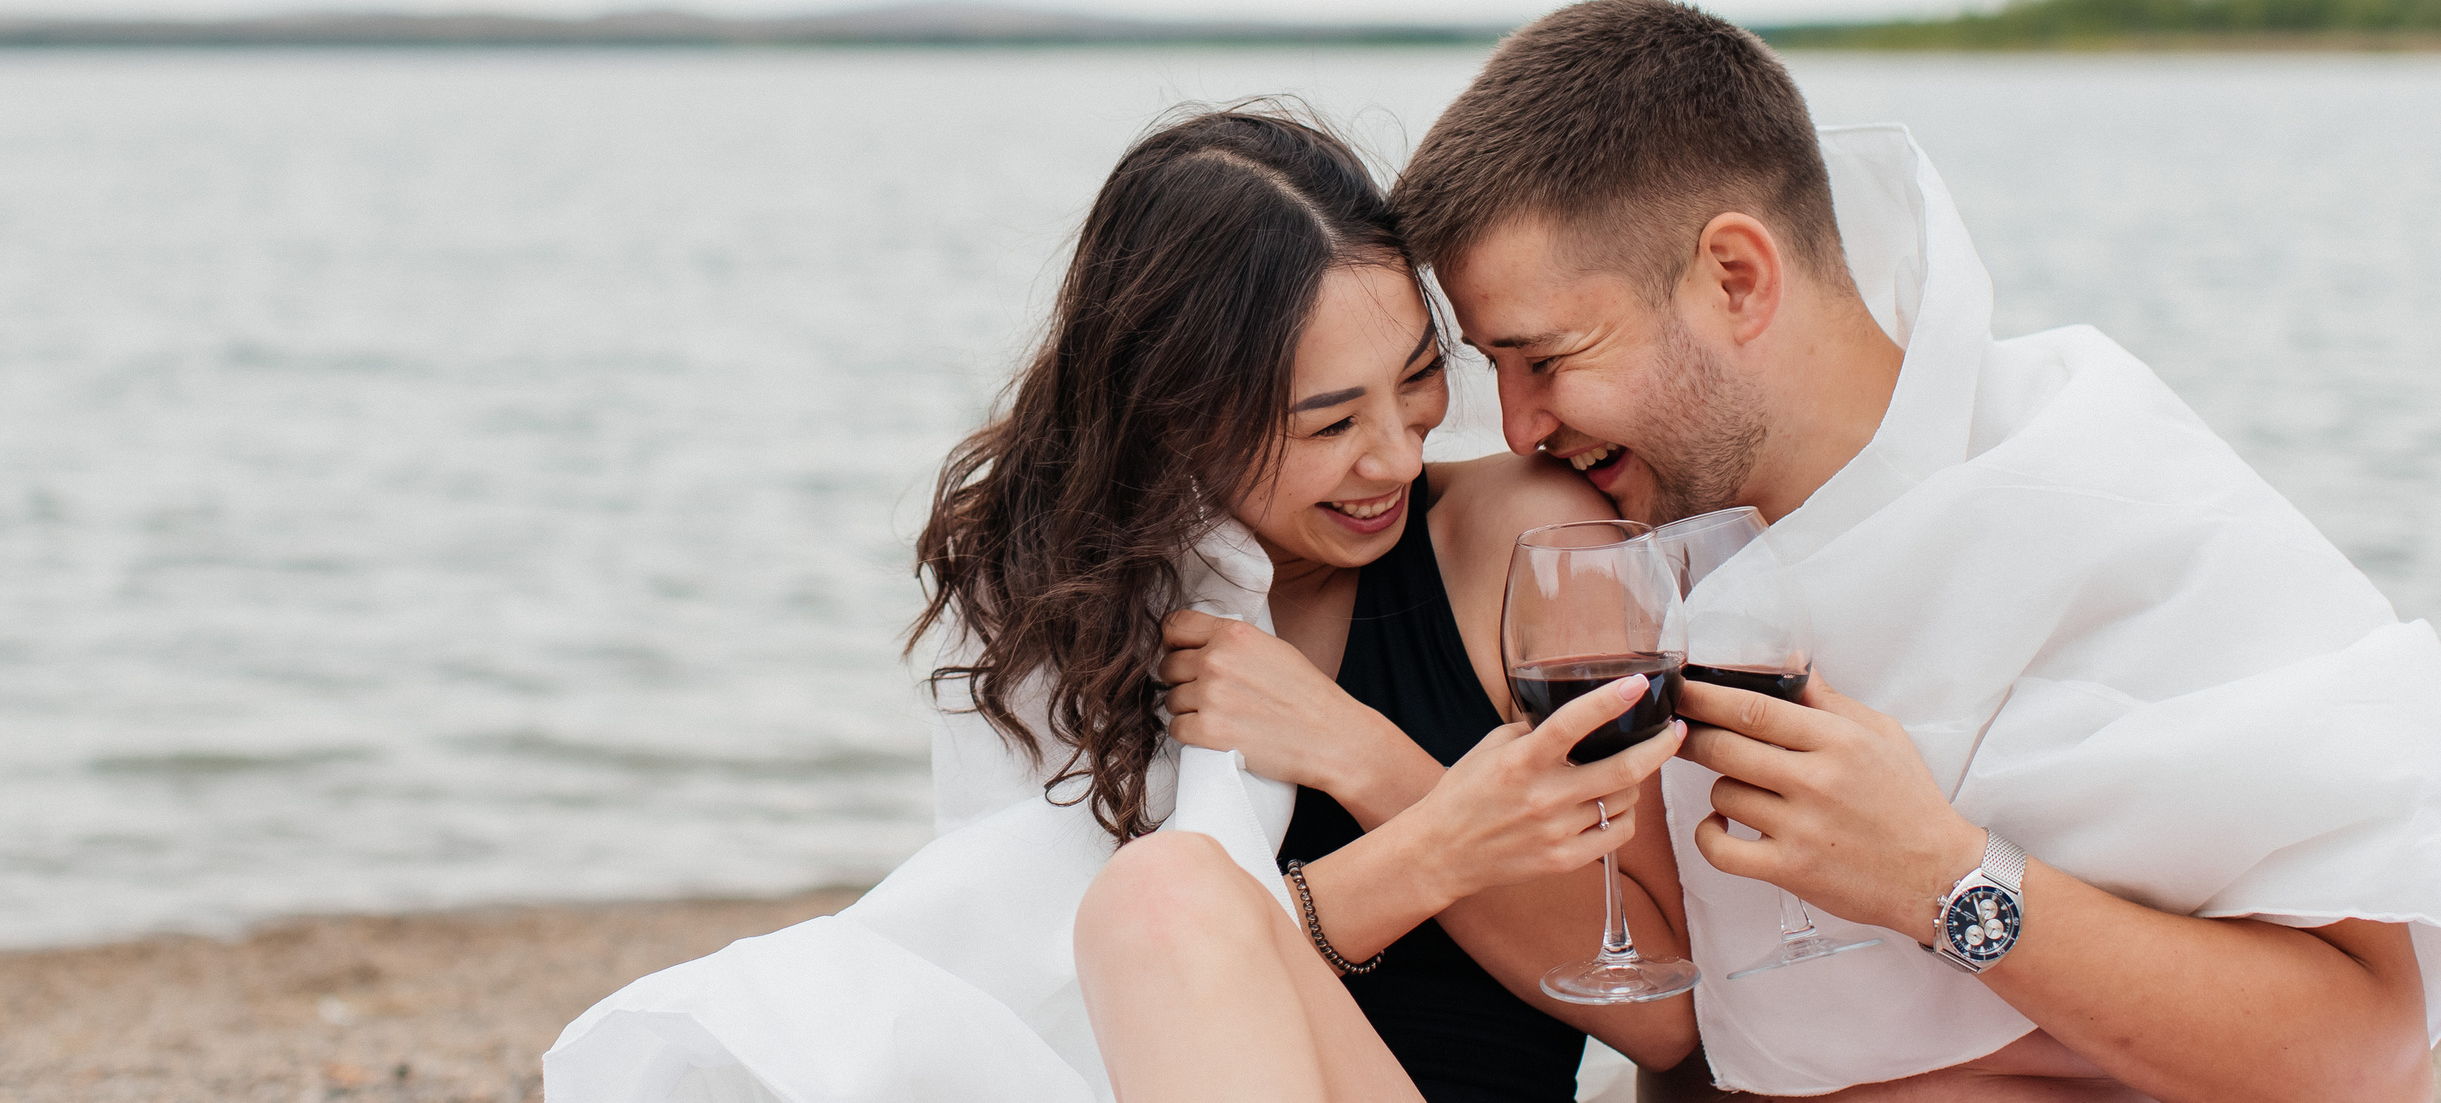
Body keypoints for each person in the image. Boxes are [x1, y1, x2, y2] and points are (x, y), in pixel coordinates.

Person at [1386, 0, 2441, 1101]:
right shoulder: (1633, 536)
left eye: (1547, 358)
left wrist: (1936, 878)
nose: (1520, 424)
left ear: (1736, 279)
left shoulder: (2108, 503)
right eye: (1494, 367)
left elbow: (2369, 1062)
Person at [546, 105, 1698, 1103]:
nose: (1396, 455)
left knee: (1163, 896)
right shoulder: (1062, 596)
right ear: (1174, 412)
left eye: (1417, 382)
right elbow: (1039, 1005)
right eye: (1330, 424)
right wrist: (1414, 859)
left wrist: (1362, 756)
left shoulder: (1525, 543)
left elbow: (1660, 1012)